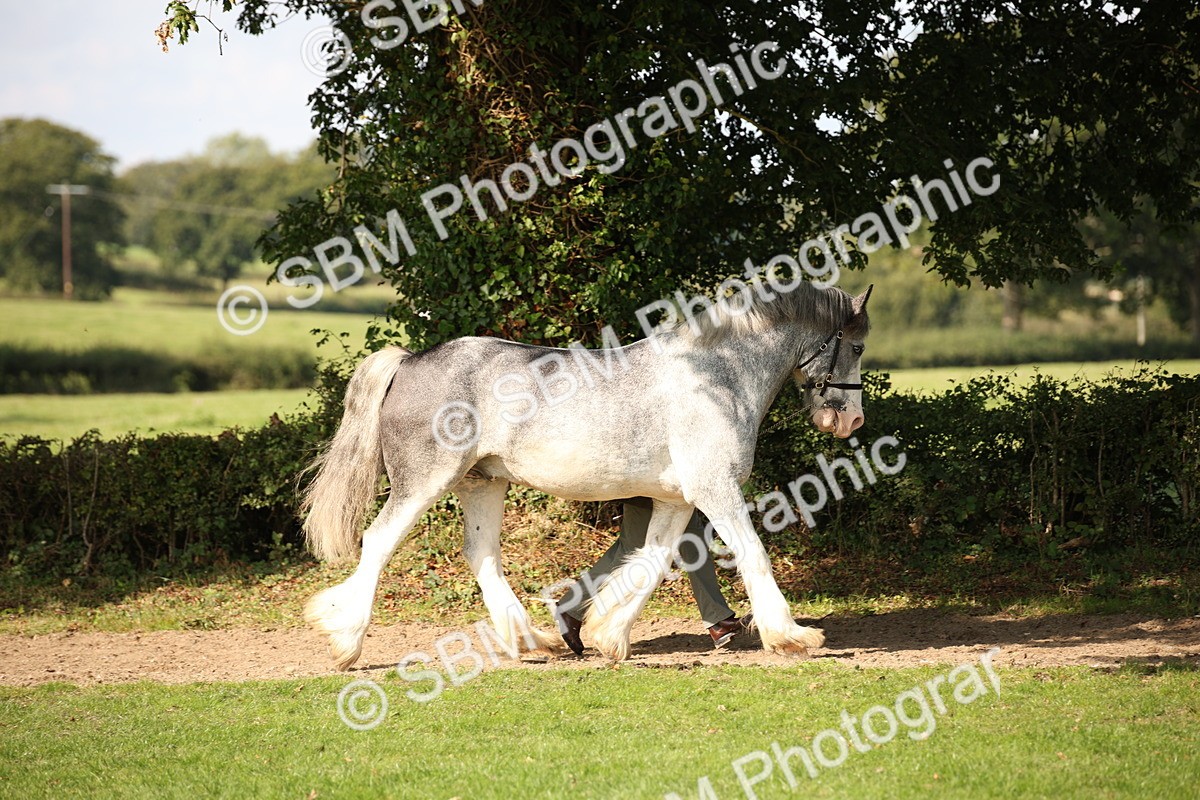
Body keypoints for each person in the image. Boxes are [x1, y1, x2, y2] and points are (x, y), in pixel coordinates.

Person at [555, 497, 751, 655]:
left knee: (694, 546)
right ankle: (571, 607)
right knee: (629, 550)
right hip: (647, 487)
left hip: (674, 488)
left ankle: (717, 620)